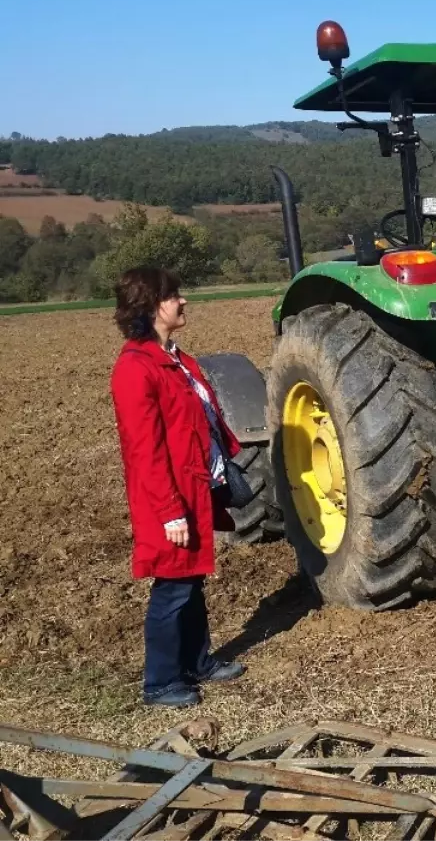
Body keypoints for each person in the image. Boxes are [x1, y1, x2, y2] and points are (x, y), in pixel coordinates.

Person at [110, 267, 247, 707]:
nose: (183, 301)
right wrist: (170, 511)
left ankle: (198, 662)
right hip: (166, 498)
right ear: (151, 306)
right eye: (174, 296)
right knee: (171, 588)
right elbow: (144, 450)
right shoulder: (136, 368)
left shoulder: (176, 359)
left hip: (194, 487)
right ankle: (161, 683)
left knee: (191, 581)